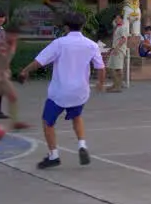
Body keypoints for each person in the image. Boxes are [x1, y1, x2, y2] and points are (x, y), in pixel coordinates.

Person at [19, 14, 106, 169]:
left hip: (60, 92)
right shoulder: (91, 45)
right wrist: (100, 83)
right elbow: (100, 67)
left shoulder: (59, 43)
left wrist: (25, 71)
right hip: (80, 92)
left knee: (48, 122)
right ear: (82, 26)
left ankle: (54, 155)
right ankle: (82, 145)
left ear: (66, 27)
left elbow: (39, 61)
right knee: (77, 116)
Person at [107, 14, 129, 92]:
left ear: (121, 19)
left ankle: (118, 86)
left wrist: (117, 48)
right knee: (110, 67)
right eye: (115, 18)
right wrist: (113, 48)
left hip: (119, 50)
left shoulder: (123, 27)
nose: (116, 20)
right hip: (115, 49)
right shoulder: (117, 27)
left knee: (118, 69)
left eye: (117, 18)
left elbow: (123, 39)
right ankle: (115, 84)